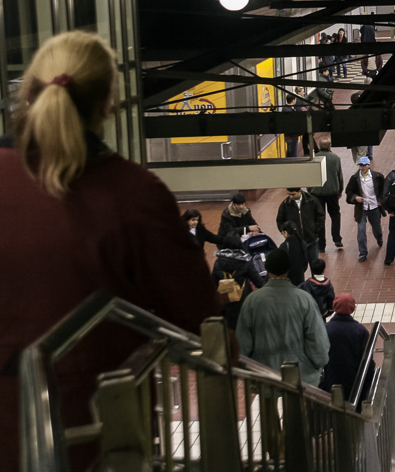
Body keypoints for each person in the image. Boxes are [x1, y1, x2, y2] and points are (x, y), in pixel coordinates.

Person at [0, 31, 222, 469]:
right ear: (108, 105)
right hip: (95, 426)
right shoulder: (134, 194)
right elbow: (199, 315)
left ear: (27, 92)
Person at [236, 248, 330, 385]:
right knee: (297, 405)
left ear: (267, 269)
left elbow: (243, 343)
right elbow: (317, 339)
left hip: (263, 374)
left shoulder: (252, 300)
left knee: (267, 403)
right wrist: (319, 363)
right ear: (289, 269)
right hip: (301, 374)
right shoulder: (304, 299)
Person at [319, 293, 373, 406]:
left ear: (334, 307)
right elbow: (367, 359)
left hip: (331, 377)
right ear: (352, 308)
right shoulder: (360, 331)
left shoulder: (325, 329)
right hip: (354, 380)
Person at [210, 231, 265, 329]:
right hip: (243, 300)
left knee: (231, 327)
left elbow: (212, 282)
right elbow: (258, 281)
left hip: (226, 299)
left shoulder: (218, 262)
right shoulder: (245, 262)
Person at [344, 156, 385, 262]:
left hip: (374, 207)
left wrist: (380, 200)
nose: (362, 168)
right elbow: (349, 192)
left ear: (369, 165)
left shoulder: (378, 177)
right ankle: (362, 253)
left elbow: (383, 190)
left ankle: (379, 238)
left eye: (364, 165)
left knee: (377, 228)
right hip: (361, 209)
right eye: (360, 165)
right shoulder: (354, 179)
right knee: (361, 230)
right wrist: (355, 198)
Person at [309, 135, 344, 250]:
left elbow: (309, 176)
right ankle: (337, 239)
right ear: (330, 146)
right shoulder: (335, 158)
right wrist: (340, 189)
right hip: (332, 192)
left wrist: (310, 190)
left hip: (317, 193)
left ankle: (321, 244)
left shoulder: (314, 158)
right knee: (335, 215)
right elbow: (339, 176)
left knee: (320, 217)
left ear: (319, 146)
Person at [276, 186, 326, 253]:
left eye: (293, 194)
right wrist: (285, 232)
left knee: (314, 262)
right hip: (295, 241)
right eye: (289, 194)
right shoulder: (285, 204)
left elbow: (320, 216)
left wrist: (315, 229)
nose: (291, 197)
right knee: (300, 263)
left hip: (312, 240)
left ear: (300, 191)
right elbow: (280, 220)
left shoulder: (312, 200)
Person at [279, 220, 317, 286]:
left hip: (289, 279)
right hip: (300, 276)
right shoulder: (302, 243)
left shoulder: (284, 245)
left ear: (285, 232)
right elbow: (305, 261)